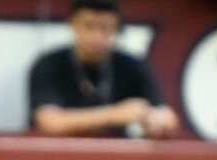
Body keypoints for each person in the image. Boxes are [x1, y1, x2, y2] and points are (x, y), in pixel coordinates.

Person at [28, 0, 178, 139]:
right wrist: (114, 114)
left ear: (117, 30)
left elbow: (167, 116)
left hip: (116, 158)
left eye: (106, 28)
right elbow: (49, 122)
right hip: (58, 156)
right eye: (89, 26)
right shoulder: (49, 65)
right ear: (73, 24)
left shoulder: (132, 66)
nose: (97, 37)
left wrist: (155, 121)